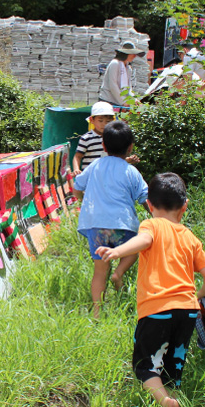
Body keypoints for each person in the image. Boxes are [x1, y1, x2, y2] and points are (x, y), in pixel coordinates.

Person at [97, 173, 205, 407]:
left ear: (149, 205)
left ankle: (163, 401)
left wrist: (118, 251)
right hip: (187, 310)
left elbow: (144, 240)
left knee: (145, 365)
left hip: (156, 309)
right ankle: (172, 395)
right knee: (173, 364)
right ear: (185, 206)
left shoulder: (151, 225)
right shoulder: (191, 237)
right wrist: (203, 293)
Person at [72, 120, 148, 318]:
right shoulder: (132, 171)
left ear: (103, 145)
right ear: (130, 146)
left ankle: (97, 312)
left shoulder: (95, 165)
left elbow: (77, 186)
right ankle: (119, 272)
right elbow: (144, 198)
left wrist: (82, 200)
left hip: (96, 226)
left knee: (99, 271)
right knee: (133, 251)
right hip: (123, 225)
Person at [72, 102, 115, 175]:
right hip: (89, 176)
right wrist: (76, 169)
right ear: (92, 120)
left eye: (108, 121)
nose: (104, 124)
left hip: (107, 176)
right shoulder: (86, 138)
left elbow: (116, 156)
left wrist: (127, 160)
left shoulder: (112, 138)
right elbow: (78, 156)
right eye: (100, 121)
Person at [99, 40, 144, 109]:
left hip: (119, 102)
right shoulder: (115, 64)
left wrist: (134, 99)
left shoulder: (128, 68)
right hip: (108, 101)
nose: (135, 56)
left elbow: (128, 88)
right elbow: (113, 85)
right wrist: (123, 101)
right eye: (132, 54)